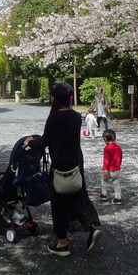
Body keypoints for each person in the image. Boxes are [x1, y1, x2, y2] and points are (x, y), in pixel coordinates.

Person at [25, 81, 101, 257]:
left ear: (54, 98)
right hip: (76, 164)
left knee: (58, 204)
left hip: (60, 166)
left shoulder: (54, 118)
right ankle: (90, 228)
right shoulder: (76, 116)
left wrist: (30, 142)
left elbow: (44, 142)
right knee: (76, 197)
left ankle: (62, 243)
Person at [100, 129, 123, 205]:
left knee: (104, 180)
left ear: (105, 139)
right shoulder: (119, 147)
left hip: (109, 169)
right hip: (116, 169)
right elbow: (120, 157)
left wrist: (105, 168)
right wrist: (119, 165)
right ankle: (118, 198)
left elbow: (106, 159)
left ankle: (104, 195)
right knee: (116, 182)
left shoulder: (107, 148)